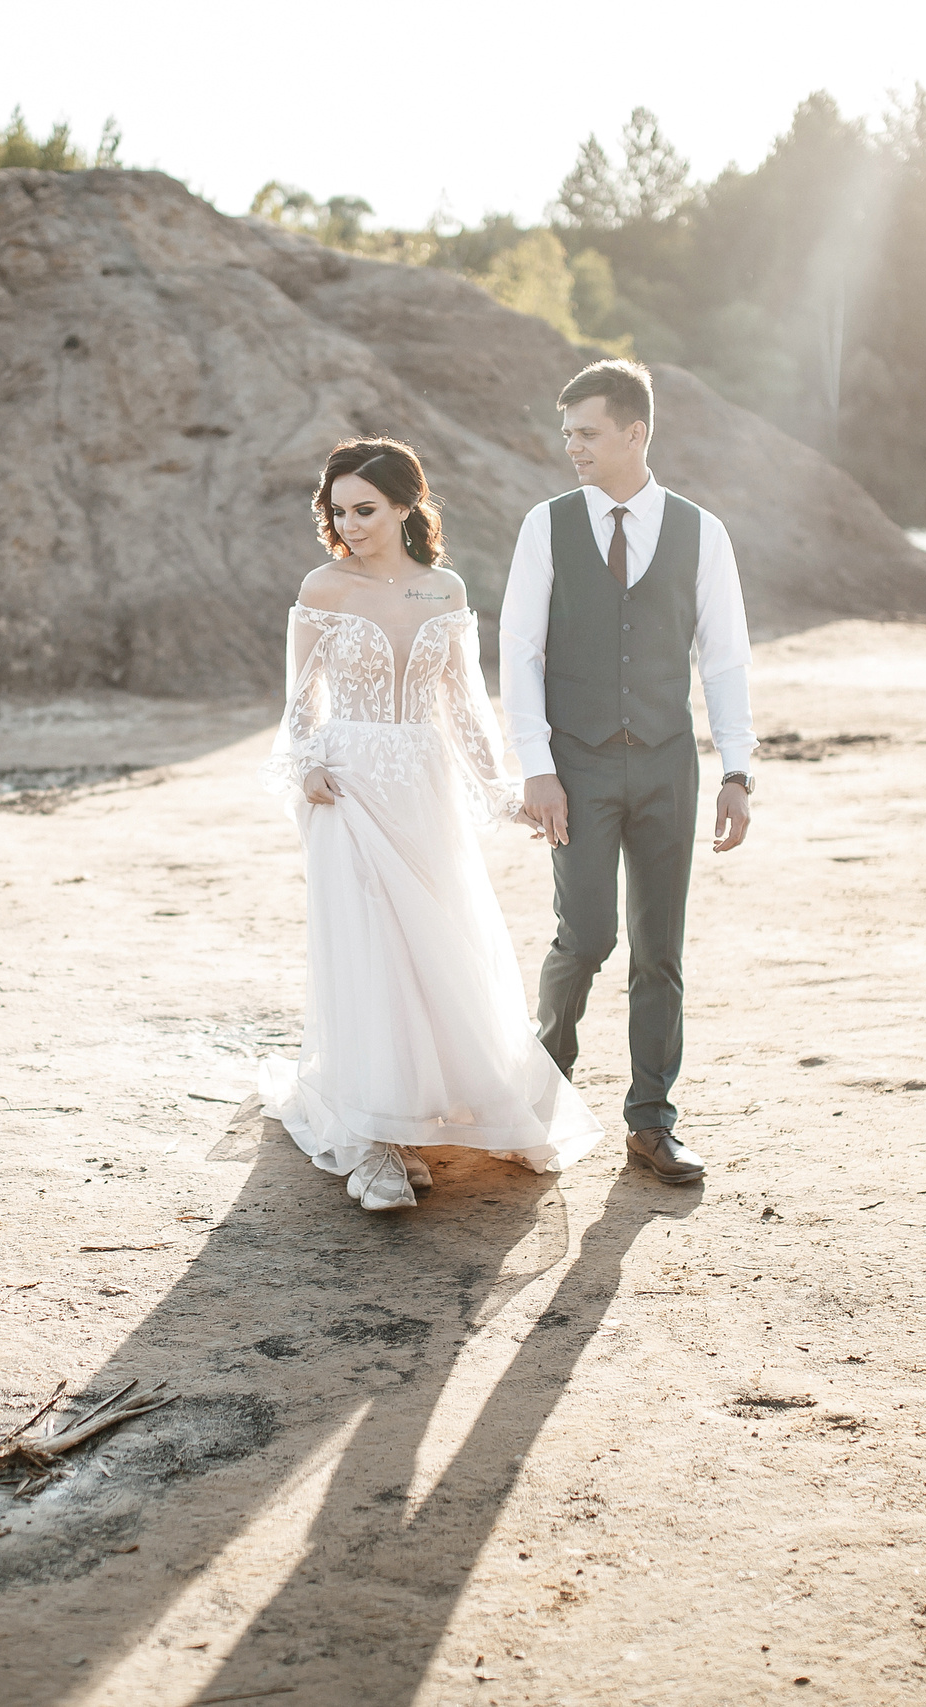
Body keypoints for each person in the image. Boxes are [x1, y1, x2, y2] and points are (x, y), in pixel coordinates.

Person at [259, 437, 603, 1212]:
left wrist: (501, 788)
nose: (349, 524)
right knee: (367, 950)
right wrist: (307, 762)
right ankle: (378, 1139)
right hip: (346, 785)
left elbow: (465, 707)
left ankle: (423, 1116)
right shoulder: (324, 586)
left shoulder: (442, 590)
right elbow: (299, 702)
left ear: (407, 506)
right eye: (338, 510)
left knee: (437, 945)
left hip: (425, 786)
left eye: (366, 508)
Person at [499, 359, 756, 1187]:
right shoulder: (546, 525)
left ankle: (651, 1121)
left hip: (667, 766)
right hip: (573, 768)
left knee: (659, 949)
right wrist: (536, 767)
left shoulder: (700, 531)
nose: (571, 446)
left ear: (634, 432)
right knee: (587, 936)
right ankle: (544, 1087)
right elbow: (520, 652)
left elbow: (724, 659)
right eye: (567, 432)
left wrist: (737, 770)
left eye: (586, 432)